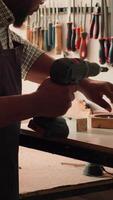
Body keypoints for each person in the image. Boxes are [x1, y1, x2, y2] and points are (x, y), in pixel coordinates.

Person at [0, 0, 113, 199]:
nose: (43, 0)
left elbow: (28, 57)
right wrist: (35, 103)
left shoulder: (3, 30)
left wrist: (85, 83)